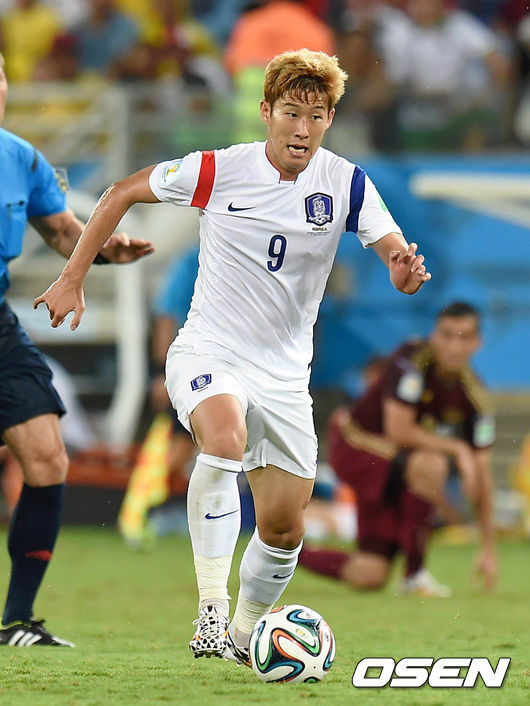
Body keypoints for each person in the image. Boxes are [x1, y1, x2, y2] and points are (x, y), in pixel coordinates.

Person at [34, 48, 430, 664]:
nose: (303, 128)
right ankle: (211, 614)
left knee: (284, 528)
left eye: (317, 116)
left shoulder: (347, 183)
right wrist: (73, 276)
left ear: (330, 120)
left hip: (285, 376)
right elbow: (121, 191)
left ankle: (245, 636)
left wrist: (403, 273)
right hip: (209, 350)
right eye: (292, 113)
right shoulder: (218, 169)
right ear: (266, 112)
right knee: (223, 439)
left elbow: (394, 254)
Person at [0, 51, 153, 647]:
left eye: (0, 79)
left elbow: (62, 230)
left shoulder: (22, 158)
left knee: (47, 458)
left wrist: (106, 250)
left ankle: (17, 620)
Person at [300, 302, 497, 597]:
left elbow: (482, 473)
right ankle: (414, 577)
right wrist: (458, 449)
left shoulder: (475, 396)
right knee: (431, 464)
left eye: (464, 337)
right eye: (446, 335)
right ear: (434, 335)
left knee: (370, 573)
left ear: (477, 343)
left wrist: (488, 548)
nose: (454, 347)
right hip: (355, 442)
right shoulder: (413, 358)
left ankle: (281, 549)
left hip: (393, 465)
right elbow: (398, 430)